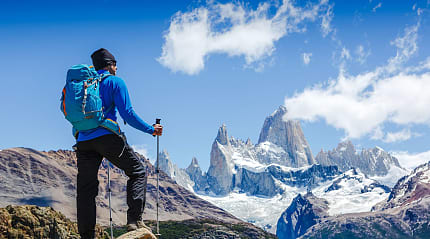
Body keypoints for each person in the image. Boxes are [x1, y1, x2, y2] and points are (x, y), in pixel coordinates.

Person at [75, 48, 162, 239]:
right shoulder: (114, 82)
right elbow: (128, 114)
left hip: (83, 141)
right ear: (111, 65)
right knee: (137, 171)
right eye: (115, 65)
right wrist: (151, 129)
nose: (116, 68)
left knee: (86, 189)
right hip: (107, 137)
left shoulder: (83, 86)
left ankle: (86, 235)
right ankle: (134, 221)